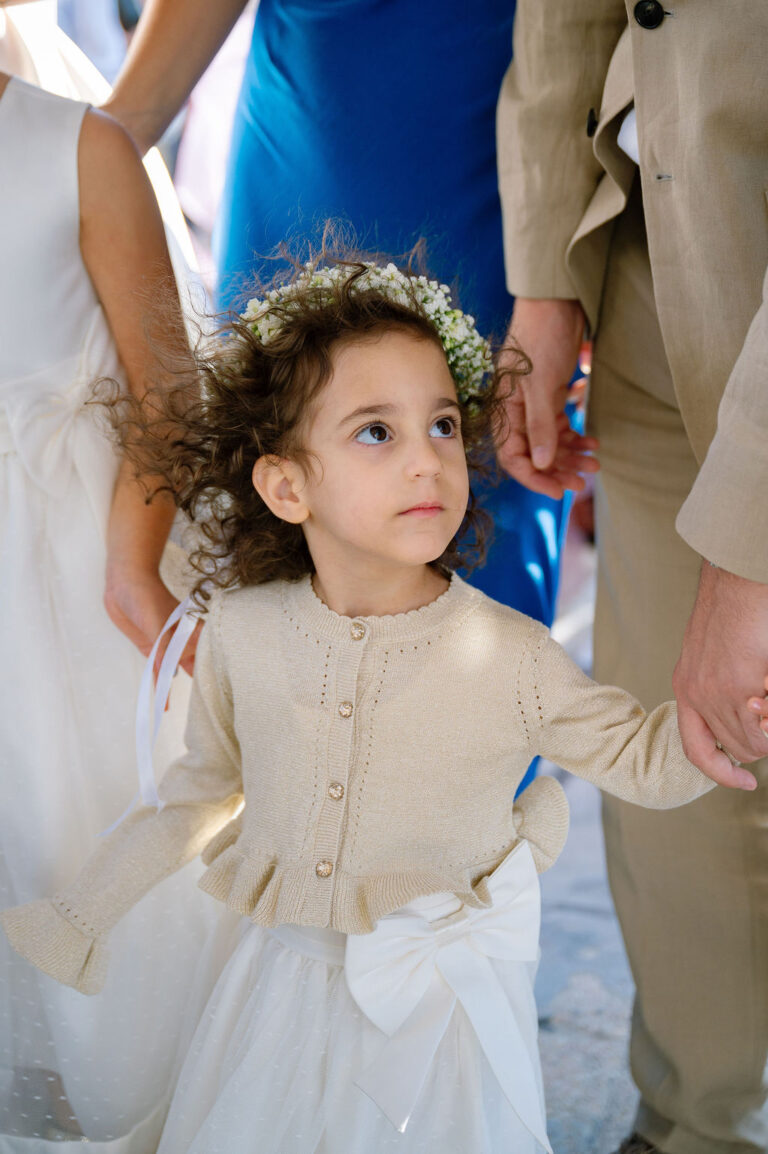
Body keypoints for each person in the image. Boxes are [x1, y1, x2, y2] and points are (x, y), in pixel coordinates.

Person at [1, 256, 745, 1154]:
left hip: (433, 1019)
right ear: (287, 487)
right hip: (279, 994)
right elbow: (199, 794)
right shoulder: (243, 631)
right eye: (376, 432)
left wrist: (733, 715)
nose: (427, 459)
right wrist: (82, 914)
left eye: (442, 424)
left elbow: (642, 761)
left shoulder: (511, 655)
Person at [102, 0, 582, 662]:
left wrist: (554, 286)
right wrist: (86, 161)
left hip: (504, 187)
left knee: (475, 520)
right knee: (292, 500)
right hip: (306, 163)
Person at [495, 6, 768, 1152]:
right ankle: (694, 1120)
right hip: (656, 263)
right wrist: (547, 277)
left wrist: (747, 559)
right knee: (678, 769)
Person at [0, 71, 217, 1149]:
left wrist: (135, 567)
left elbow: (167, 390)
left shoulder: (80, 151)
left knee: (73, 839)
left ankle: (100, 1098)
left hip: (60, 576)